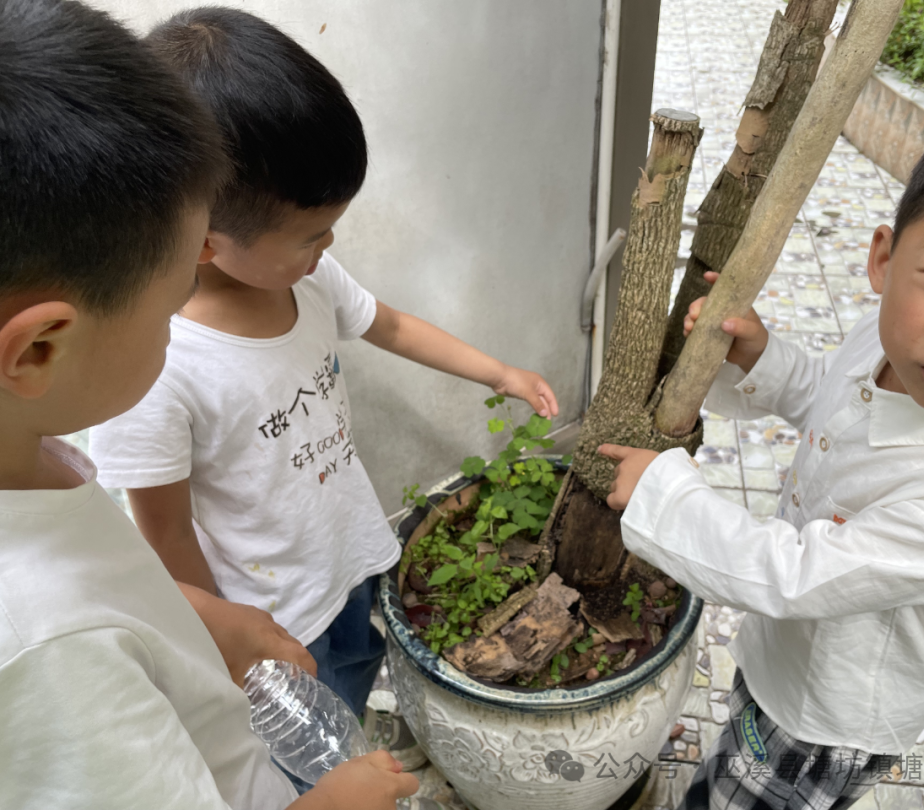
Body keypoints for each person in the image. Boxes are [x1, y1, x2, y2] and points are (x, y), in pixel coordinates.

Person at [88, 6, 559, 775]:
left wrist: (498, 372)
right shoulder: (156, 369)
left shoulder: (309, 285)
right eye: (311, 234)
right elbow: (165, 535)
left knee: (359, 659)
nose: (329, 248)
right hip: (271, 618)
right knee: (306, 734)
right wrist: (233, 638)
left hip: (346, 555)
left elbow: (394, 327)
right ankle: (329, 774)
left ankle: (353, 737)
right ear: (204, 239)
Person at [600, 89, 924, 810]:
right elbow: (829, 394)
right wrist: (761, 358)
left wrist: (664, 496)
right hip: (786, 662)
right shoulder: (890, 338)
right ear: (884, 260)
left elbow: (798, 575)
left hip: (831, 717)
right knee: (742, 743)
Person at [0, 1, 418, 807]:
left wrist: (196, 617)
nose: (186, 315)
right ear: (40, 348)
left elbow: (115, 580)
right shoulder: (47, 649)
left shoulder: (32, 461)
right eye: (171, 302)